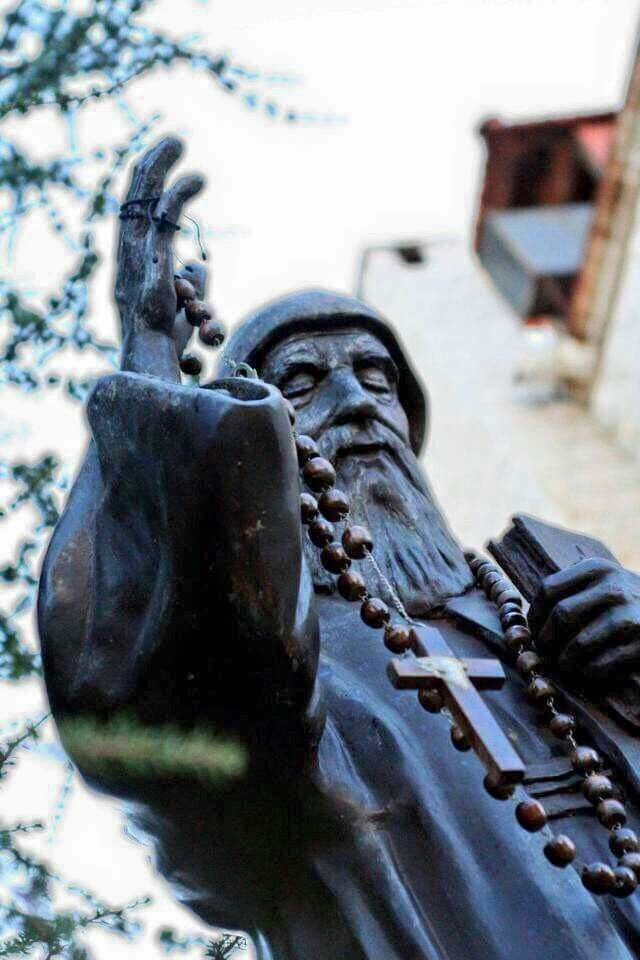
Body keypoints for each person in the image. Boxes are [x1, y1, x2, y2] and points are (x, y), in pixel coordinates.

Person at [38, 138, 640, 959]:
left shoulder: (549, 583)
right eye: (305, 383)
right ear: (258, 450)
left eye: (377, 377)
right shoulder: (266, 659)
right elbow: (151, 718)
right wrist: (151, 364)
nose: (356, 402)